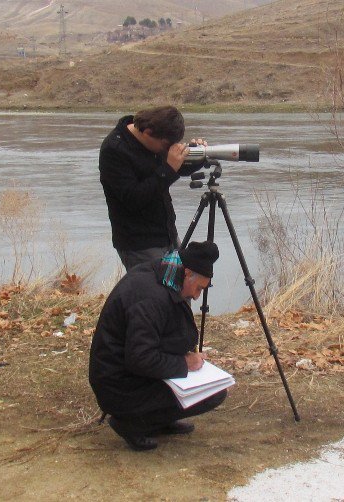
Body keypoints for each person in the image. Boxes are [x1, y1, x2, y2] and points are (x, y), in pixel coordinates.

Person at [89, 241, 226, 451]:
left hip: (128, 374)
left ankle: (159, 420)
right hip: (118, 386)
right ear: (187, 273)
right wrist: (184, 363)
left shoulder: (164, 275)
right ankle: (131, 422)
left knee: (215, 390)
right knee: (212, 393)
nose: (197, 296)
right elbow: (140, 358)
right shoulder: (150, 297)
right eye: (199, 288)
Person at [99, 105, 206, 271]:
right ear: (148, 132)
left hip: (167, 234)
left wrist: (196, 156)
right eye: (166, 146)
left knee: (178, 291)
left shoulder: (156, 140)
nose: (167, 149)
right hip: (139, 244)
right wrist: (169, 168)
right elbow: (133, 199)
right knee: (155, 294)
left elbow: (172, 169)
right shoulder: (114, 150)